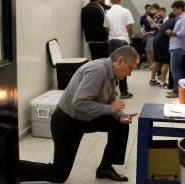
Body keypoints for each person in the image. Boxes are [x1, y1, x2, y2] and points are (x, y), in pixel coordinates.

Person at [19, 45, 140, 183]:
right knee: (58, 175)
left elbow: (111, 101)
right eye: (130, 68)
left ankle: (105, 169)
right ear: (119, 61)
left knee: (119, 124)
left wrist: (119, 115)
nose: (130, 73)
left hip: (85, 118)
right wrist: (110, 110)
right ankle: (11, 168)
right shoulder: (98, 70)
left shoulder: (112, 73)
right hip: (67, 123)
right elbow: (79, 102)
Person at [103, 0, 134, 99]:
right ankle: (124, 92)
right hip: (122, 41)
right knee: (124, 66)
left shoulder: (107, 12)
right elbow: (129, 28)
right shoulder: (126, 11)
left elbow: (107, 29)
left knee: (111, 68)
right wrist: (129, 38)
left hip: (110, 41)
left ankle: (111, 92)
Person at [166, 1, 185, 98]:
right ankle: (178, 90)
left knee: (174, 69)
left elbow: (183, 34)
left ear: (180, 8)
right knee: (178, 69)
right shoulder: (180, 18)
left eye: (175, 10)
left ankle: (176, 91)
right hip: (175, 46)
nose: (174, 12)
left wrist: (172, 33)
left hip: (177, 47)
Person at [149, 17, 177, 88]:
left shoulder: (169, 20)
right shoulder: (177, 22)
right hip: (162, 42)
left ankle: (152, 80)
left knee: (156, 61)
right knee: (166, 62)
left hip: (156, 40)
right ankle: (162, 83)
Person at [140, 4, 154, 70]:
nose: (150, 10)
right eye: (148, 9)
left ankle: (153, 65)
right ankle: (149, 65)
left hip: (153, 34)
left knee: (151, 50)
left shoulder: (154, 16)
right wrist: (143, 32)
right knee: (147, 50)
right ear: (145, 9)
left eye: (151, 9)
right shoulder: (142, 17)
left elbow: (155, 25)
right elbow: (141, 26)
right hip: (147, 35)